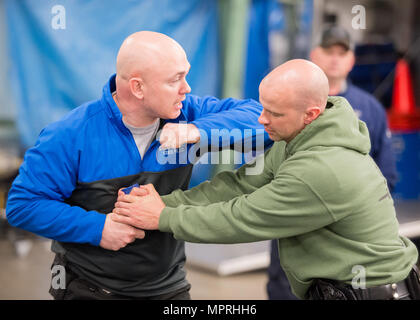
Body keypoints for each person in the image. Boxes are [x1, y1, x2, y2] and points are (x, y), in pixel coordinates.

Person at [111, 59, 420, 300]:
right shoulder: (294, 139)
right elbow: (239, 185)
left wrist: (162, 217)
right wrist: (161, 202)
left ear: (310, 114)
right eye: (263, 108)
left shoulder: (322, 170)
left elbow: (240, 217)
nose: (261, 120)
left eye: (273, 113)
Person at [6, 31, 271, 300]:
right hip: (91, 289)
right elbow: (23, 205)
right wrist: (99, 229)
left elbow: (262, 120)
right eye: (175, 79)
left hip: (169, 287)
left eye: (186, 76)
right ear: (138, 88)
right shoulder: (69, 135)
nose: (187, 88)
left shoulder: (187, 114)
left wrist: (198, 131)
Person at [268, 25, 399, 299]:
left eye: (343, 52)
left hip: (344, 246)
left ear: (352, 60)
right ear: (315, 54)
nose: (335, 58)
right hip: (293, 228)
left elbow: (385, 175)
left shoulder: (370, 109)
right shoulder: (286, 103)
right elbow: (268, 166)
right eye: (329, 51)